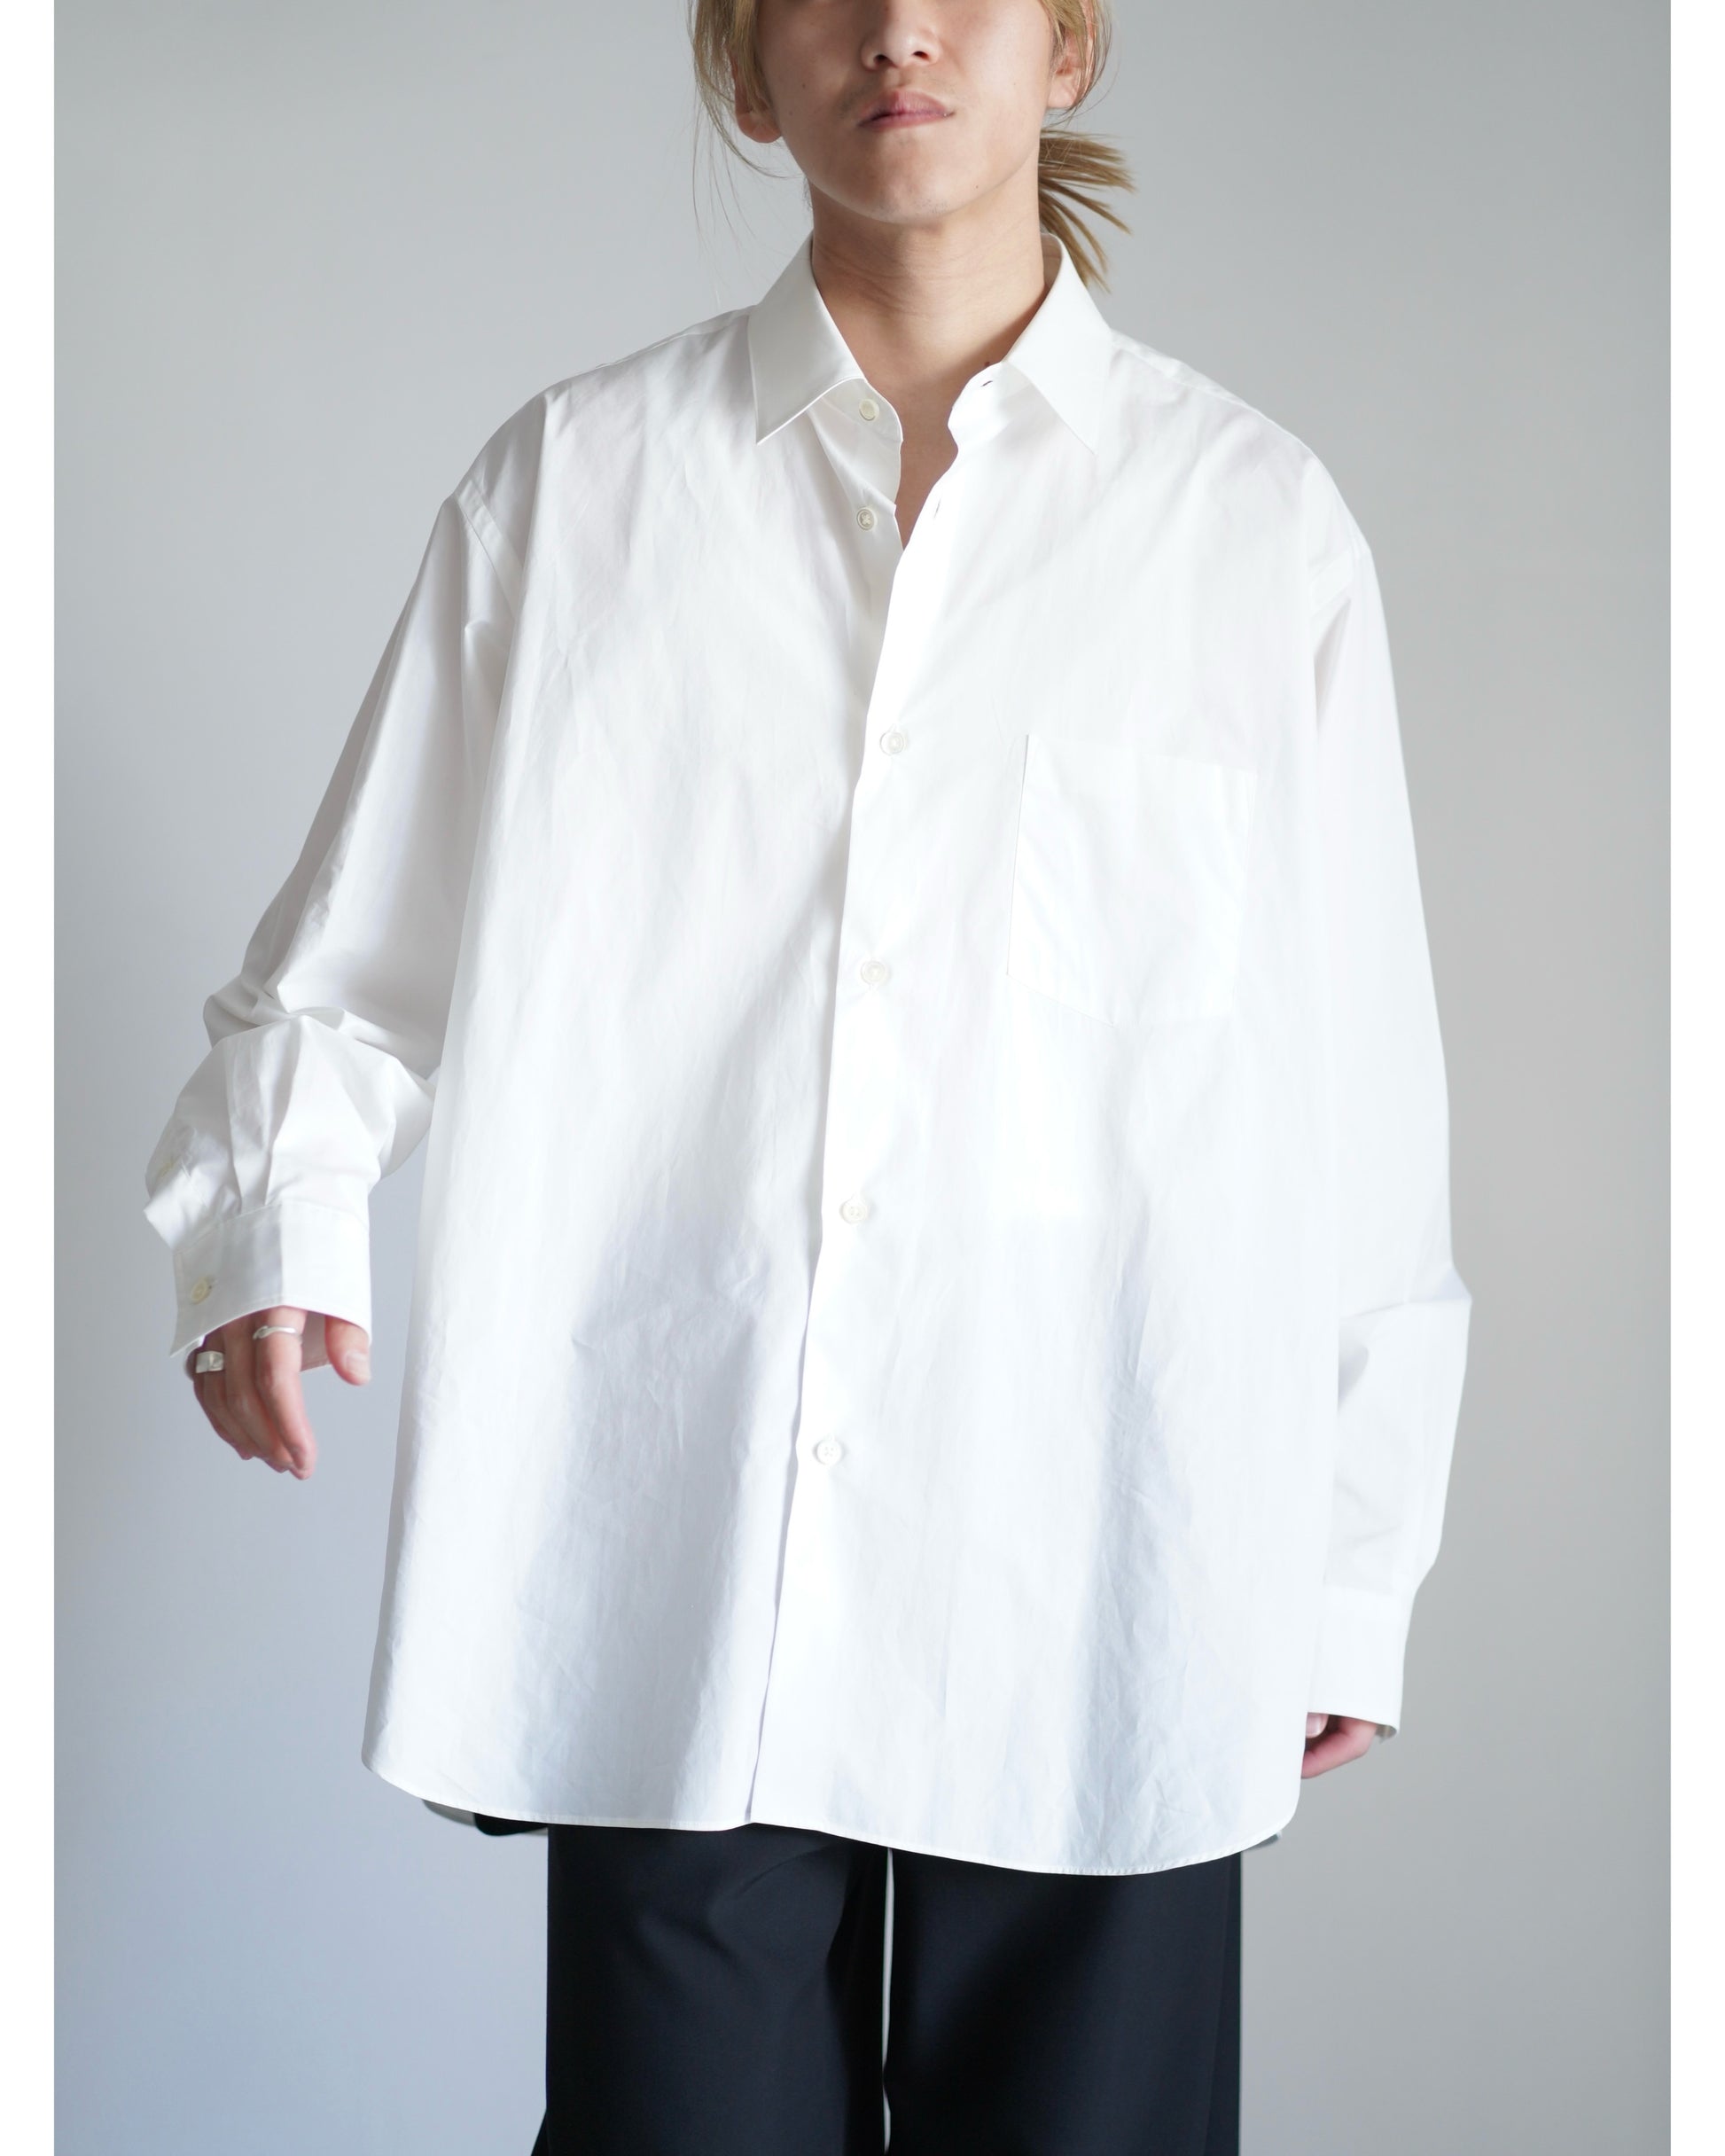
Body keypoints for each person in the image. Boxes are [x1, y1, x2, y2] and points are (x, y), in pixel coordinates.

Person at [143, 3, 1471, 2150]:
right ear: (747, 68)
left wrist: (1344, 1561)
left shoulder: (1251, 531)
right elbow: (343, 967)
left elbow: (1360, 1097)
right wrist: (271, 1222)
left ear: (1068, 48)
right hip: (679, 1552)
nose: (899, 28)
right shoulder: (577, 488)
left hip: (1104, 1549)